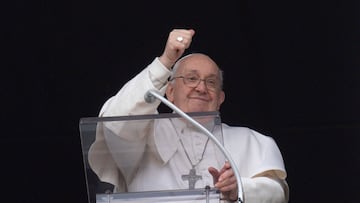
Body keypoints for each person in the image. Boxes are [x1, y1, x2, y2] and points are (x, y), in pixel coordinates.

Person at [88, 28, 289, 203]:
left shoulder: (248, 140)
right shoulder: (143, 132)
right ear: (170, 92)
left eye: (211, 82)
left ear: (220, 98)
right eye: (191, 79)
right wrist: (165, 62)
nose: (201, 88)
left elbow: (277, 192)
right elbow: (114, 121)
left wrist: (240, 188)